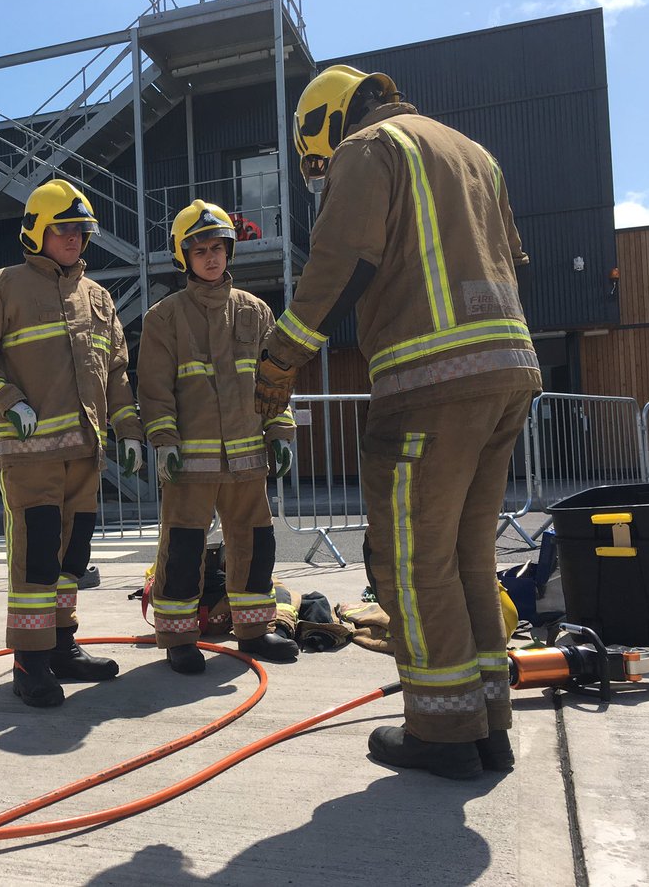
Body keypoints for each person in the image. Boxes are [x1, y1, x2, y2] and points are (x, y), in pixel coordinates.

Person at [255, 64, 541, 779]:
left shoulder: (368, 148)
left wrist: (279, 361)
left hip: (430, 385)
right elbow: (513, 262)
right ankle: (488, 727)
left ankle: (442, 734)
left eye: (315, 162)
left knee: (413, 564)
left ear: (324, 124)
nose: (322, 173)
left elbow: (341, 263)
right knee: (469, 557)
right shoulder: (470, 152)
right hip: (507, 373)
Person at [0, 178, 144, 708]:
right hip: (31, 457)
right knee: (36, 560)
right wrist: (8, 400)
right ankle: (29, 661)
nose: (74, 238)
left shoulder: (98, 297)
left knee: (70, 559)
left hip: (85, 455)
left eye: (81, 230)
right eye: (63, 229)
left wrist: (129, 431)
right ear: (36, 232)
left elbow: (117, 374)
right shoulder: (1, 287)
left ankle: (61, 647)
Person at [138, 201, 299, 674]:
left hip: (247, 458)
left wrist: (280, 430)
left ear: (229, 251)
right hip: (190, 463)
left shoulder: (256, 311)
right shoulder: (164, 318)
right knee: (183, 549)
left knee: (255, 544)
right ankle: (178, 636)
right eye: (200, 250)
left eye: (218, 248)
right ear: (183, 256)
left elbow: (274, 381)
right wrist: (163, 440)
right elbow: (154, 388)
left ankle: (254, 628)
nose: (211, 257)